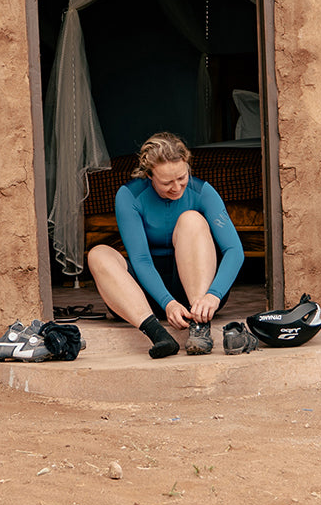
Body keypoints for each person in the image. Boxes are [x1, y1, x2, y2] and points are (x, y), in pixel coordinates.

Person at [86, 132, 246, 358]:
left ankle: (199, 327)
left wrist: (213, 295)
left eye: (182, 177)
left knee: (191, 219)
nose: (177, 187)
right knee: (98, 254)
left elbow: (234, 251)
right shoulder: (129, 195)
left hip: (197, 294)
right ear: (149, 175)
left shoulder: (203, 191)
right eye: (166, 182)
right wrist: (167, 303)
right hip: (146, 295)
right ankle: (158, 334)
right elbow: (140, 259)